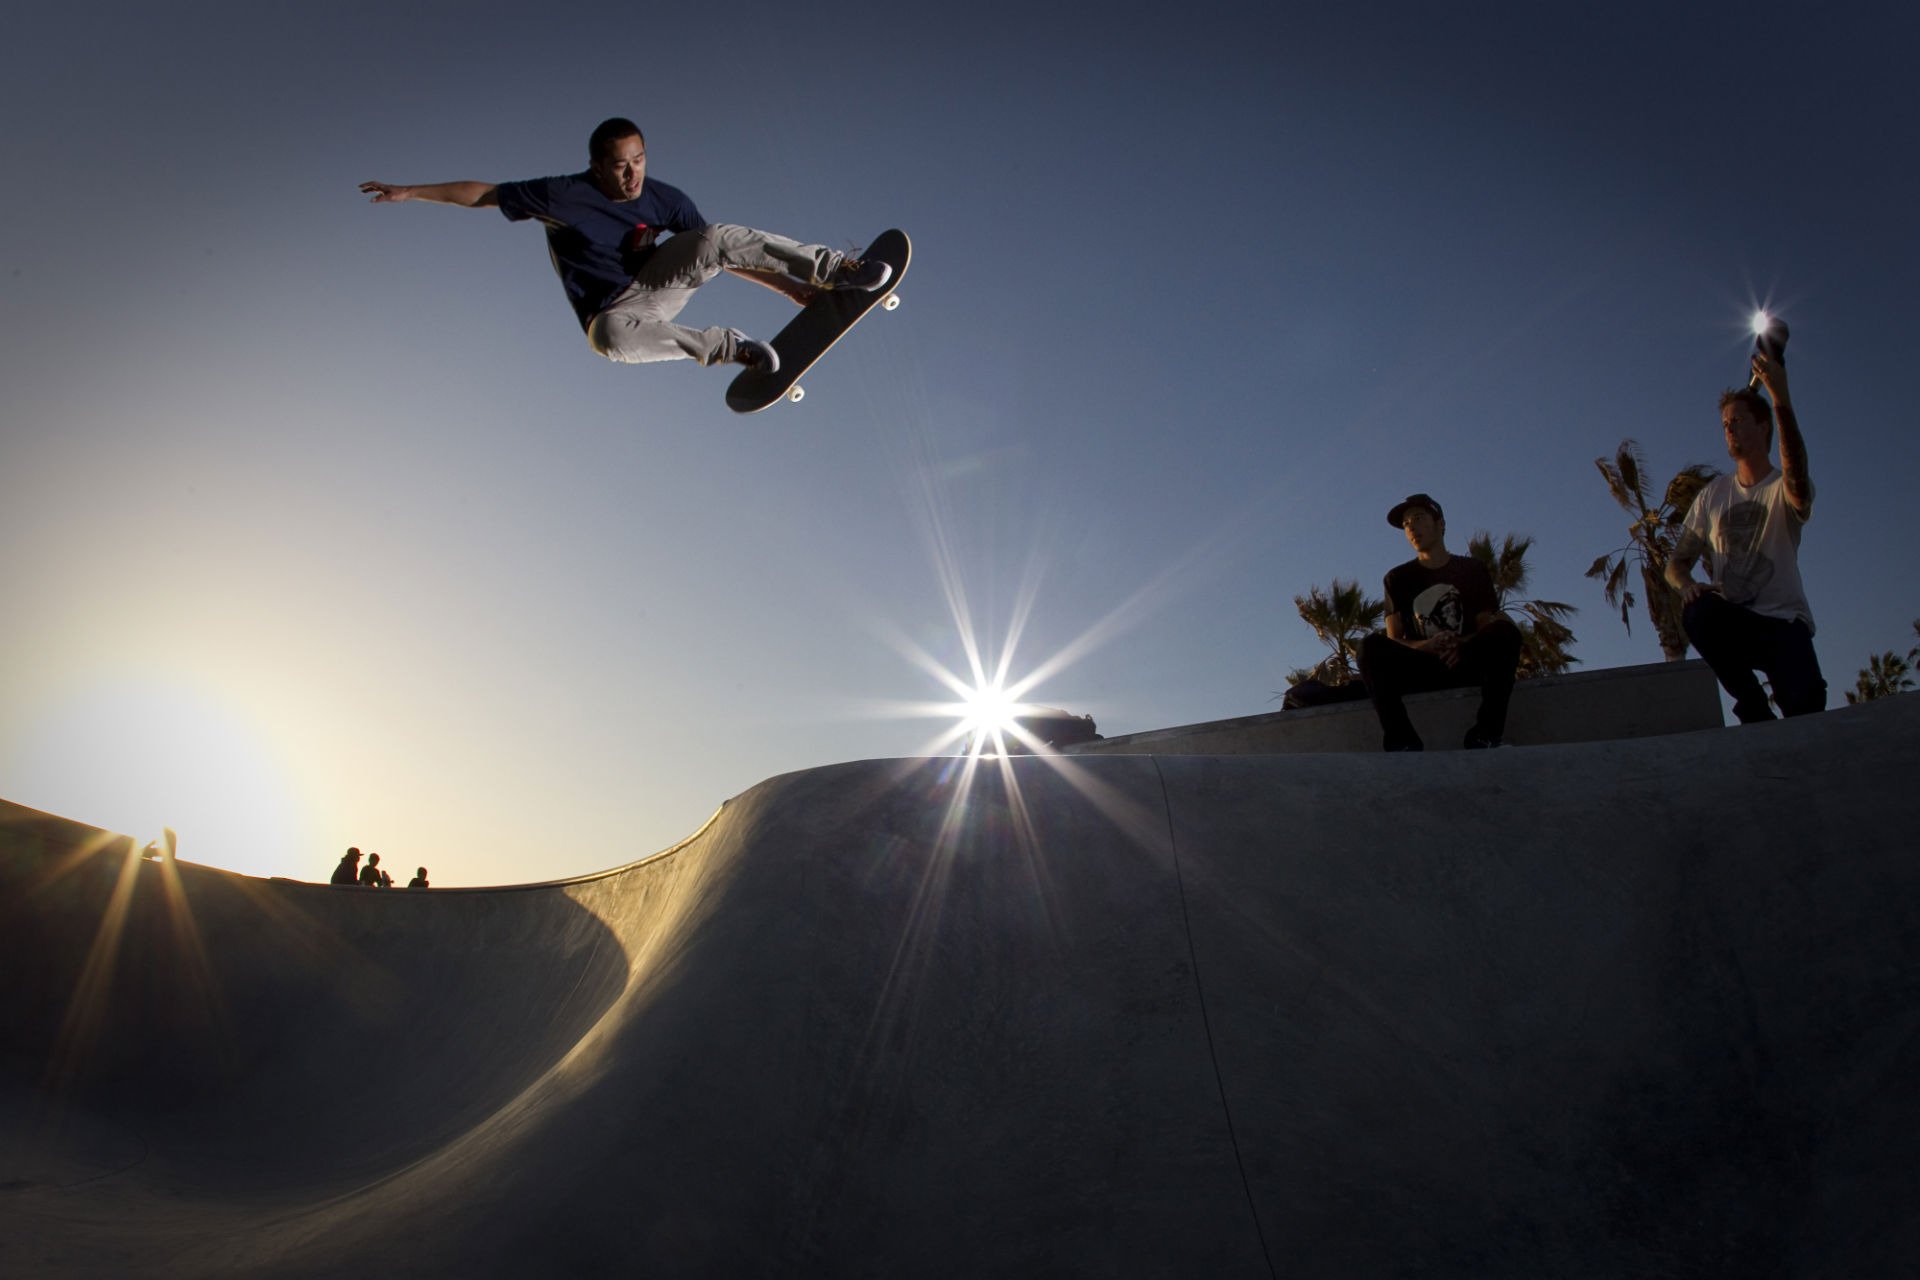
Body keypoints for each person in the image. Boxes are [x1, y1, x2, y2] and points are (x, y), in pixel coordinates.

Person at [359, 117, 891, 376]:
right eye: (620, 165)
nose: (633, 174)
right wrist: (411, 192)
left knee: (716, 234)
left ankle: (834, 267)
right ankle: (730, 348)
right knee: (605, 337)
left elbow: (727, 254)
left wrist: (791, 290)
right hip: (616, 310)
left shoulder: (665, 197)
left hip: (659, 284)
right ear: (597, 167)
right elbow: (481, 194)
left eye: (639, 159)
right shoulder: (560, 194)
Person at [1667, 350, 1824, 721]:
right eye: (1724, 423)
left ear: (1763, 426)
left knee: (1808, 713)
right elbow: (1676, 563)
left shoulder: (1784, 485)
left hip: (1786, 625)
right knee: (1699, 612)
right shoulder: (1713, 495)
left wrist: (1780, 396)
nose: (1729, 428)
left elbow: (1797, 476)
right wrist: (1686, 584)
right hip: (1738, 620)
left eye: (1737, 420)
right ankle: (1752, 706)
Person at [1356, 494, 1524, 751]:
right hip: (1421, 666)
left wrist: (1459, 644)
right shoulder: (1397, 578)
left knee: (1504, 632)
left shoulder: (1472, 570)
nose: (1411, 528)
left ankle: (1485, 734)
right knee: (1370, 647)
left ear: (1440, 524)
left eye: (1418, 519)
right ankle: (1403, 742)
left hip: (1465, 660)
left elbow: (1484, 627)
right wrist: (1428, 645)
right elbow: (1395, 640)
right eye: (1406, 524)